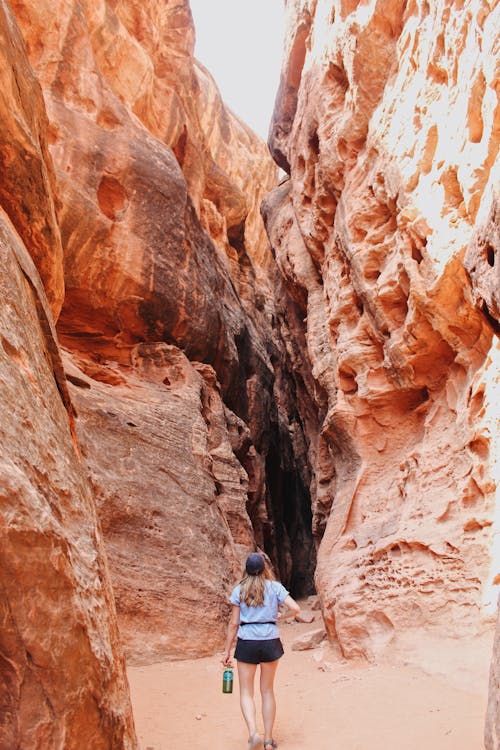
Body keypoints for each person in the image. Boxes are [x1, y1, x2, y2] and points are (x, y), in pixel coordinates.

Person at [221, 552, 301, 750]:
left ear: (246, 570)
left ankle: (253, 734)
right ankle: (268, 740)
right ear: (265, 568)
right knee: (267, 691)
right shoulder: (274, 587)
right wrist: (278, 618)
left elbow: (233, 623)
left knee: (246, 692)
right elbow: (296, 608)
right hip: (270, 641)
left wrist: (226, 651)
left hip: (247, 642)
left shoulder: (239, 590)